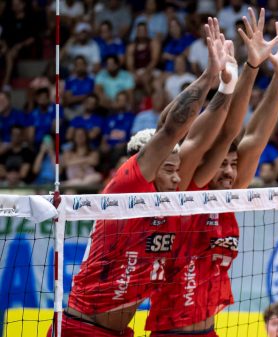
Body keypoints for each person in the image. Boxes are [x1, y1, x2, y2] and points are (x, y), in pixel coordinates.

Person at [53, 17, 235, 337]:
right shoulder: (127, 186)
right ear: (148, 166)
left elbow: (212, 138)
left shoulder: (171, 204)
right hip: (81, 327)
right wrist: (209, 76)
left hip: (122, 331)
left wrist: (229, 84)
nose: (178, 178)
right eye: (169, 169)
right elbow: (171, 129)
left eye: (178, 170)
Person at [145, 12, 278, 337]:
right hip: (169, 332)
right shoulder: (188, 187)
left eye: (233, 164)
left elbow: (255, 138)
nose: (230, 170)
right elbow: (225, 134)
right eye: (224, 163)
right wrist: (247, 69)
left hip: (209, 330)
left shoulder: (230, 191)